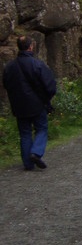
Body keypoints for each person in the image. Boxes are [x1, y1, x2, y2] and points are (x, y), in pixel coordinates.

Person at [2, 35, 57, 171]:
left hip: (19, 105)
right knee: (41, 128)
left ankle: (28, 163)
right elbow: (50, 85)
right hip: (37, 104)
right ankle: (36, 152)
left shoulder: (10, 67)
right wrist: (46, 98)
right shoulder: (37, 64)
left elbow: (6, 84)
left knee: (25, 133)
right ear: (30, 46)